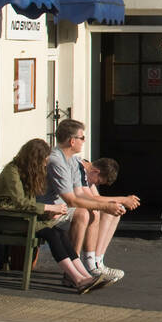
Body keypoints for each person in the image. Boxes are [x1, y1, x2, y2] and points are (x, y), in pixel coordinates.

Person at [0, 139, 105, 293]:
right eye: (43, 160)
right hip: (8, 218)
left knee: (60, 233)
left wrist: (48, 212)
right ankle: (77, 279)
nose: (45, 163)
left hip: (26, 217)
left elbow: (30, 202)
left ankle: (85, 275)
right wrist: (49, 207)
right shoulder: (12, 171)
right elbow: (20, 203)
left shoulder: (28, 171)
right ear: (34, 158)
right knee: (51, 234)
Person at [44, 119, 140, 283]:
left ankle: (92, 265)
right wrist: (104, 206)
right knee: (83, 213)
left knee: (92, 210)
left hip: (61, 208)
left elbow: (80, 195)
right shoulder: (57, 161)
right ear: (72, 141)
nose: (84, 141)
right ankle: (75, 272)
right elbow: (72, 200)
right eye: (82, 137)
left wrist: (107, 205)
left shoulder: (73, 161)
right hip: (48, 209)